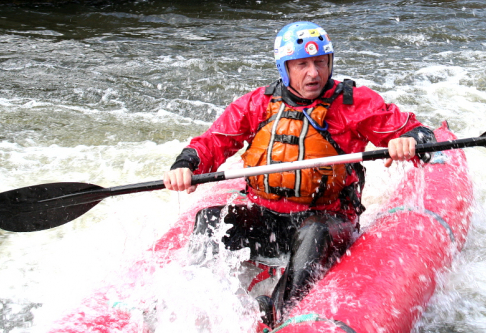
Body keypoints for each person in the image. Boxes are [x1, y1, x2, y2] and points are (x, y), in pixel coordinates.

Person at [163, 21, 435, 328]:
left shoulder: (353, 103)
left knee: (313, 231)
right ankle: (195, 301)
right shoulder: (259, 103)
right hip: (266, 218)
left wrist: (409, 141)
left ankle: (284, 314)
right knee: (211, 219)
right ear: (284, 68)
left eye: (320, 62)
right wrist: (186, 165)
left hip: (326, 220)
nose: (314, 73)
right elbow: (214, 141)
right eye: (302, 64)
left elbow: (415, 131)